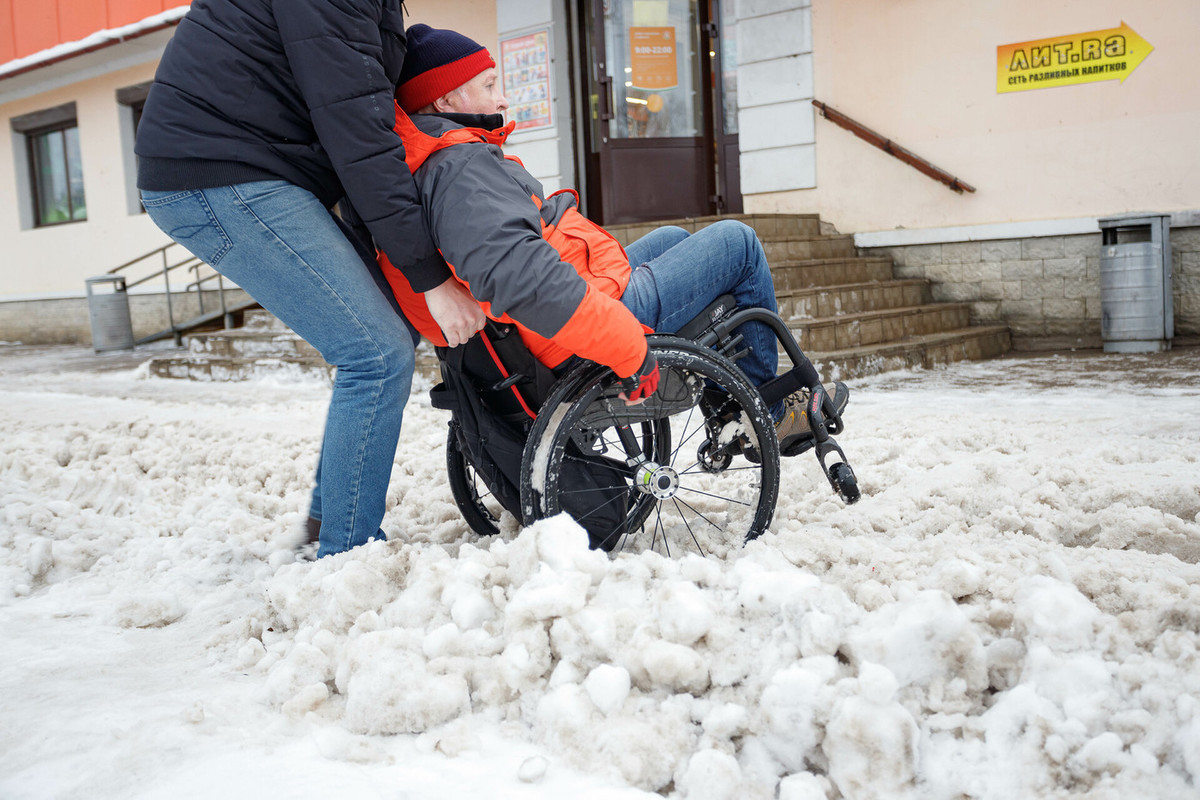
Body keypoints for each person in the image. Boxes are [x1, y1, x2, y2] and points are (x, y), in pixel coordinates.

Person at [380, 24, 844, 451]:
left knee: (673, 236)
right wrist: (623, 341)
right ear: (443, 101)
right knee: (737, 243)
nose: (502, 99)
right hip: (577, 322)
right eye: (488, 87)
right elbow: (524, 282)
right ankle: (767, 412)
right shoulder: (461, 171)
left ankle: (727, 406)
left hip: (567, 299)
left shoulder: (436, 161)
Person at [134, 2, 486, 558]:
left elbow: (361, 119)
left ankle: (329, 525)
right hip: (221, 172)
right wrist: (430, 277)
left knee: (387, 329)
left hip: (257, 166)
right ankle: (347, 554)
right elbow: (358, 138)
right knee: (375, 352)